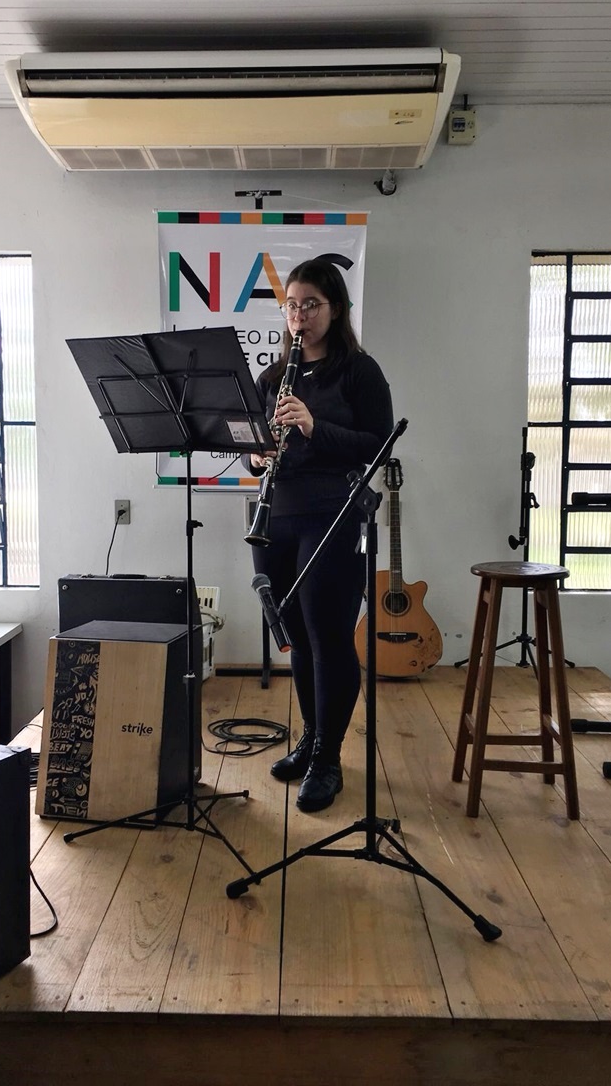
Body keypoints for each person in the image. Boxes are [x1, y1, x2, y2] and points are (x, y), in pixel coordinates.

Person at [243, 258, 394, 812]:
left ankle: (328, 757)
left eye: (311, 305)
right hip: (277, 516)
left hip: (333, 514)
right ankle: (310, 738)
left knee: (329, 638)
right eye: (292, 305)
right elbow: (252, 448)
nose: (299, 315)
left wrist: (313, 426)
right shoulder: (271, 378)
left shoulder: (359, 371)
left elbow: (378, 445)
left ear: (336, 309)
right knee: (299, 640)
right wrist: (257, 456)